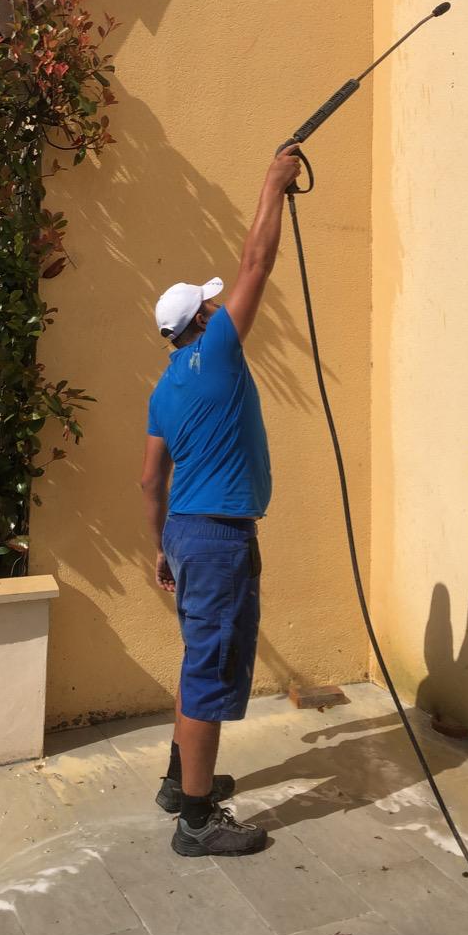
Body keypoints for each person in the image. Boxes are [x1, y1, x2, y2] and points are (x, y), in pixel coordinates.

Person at [140, 144, 302, 857]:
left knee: (196, 660)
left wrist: (159, 547)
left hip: (183, 531)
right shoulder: (223, 352)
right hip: (217, 539)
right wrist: (272, 182)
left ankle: (180, 784)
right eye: (210, 303)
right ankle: (197, 822)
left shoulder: (164, 388)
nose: (219, 303)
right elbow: (256, 262)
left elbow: (150, 480)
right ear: (204, 320)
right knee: (208, 672)